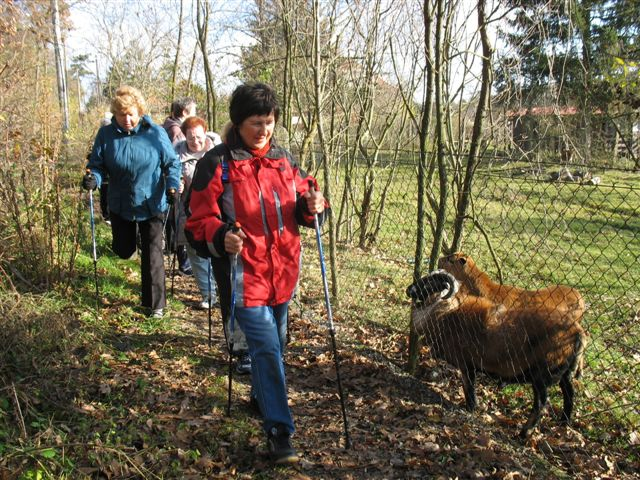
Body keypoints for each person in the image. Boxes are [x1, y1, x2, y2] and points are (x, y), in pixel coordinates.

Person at [185, 82, 328, 464]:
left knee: (277, 347)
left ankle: (261, 396)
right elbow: (197, 220)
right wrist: (220, 236)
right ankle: (280, 431)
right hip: (243, 276)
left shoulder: (284, 160)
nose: (264, 130)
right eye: (255, 123)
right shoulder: (218, 163)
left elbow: (307, 202)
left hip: (283, 274)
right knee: (265, 347)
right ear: (238, 122)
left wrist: (313, 204)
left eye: (269, 122)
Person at [82, 85, 181, 318]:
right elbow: (97, 165)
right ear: (115, 114)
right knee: (123, 250)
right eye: (121, 114)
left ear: (139, 112)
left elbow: (172, 164)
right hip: (121, 203)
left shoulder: (155, 133)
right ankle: (130, 246)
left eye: (131, 114)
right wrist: (93, 180)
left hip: (152, 202)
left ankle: (155, 305)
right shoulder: (106, 135)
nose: (127, 119)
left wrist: (172, 186)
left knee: (153, 254)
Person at [173, 116, 221, 309]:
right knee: (195, 251)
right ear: (185, 136)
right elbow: (172, 173)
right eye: (191, 137)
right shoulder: (177, 153)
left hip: (217, 210)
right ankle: (208, 294)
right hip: (189, 209)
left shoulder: (218, 151)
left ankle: (221, 288)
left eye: (198, 136)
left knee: (217, 249)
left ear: (205, 133)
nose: (195, 141)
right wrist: (177, 183)